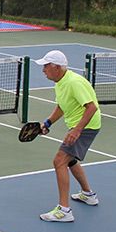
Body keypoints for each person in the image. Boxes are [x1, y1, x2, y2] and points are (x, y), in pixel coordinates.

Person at [35, 50, 102, 222]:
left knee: (59, 161)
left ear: (56, 67)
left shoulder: (74, 82)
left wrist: (77, 130)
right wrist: (48, 123)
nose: (43, 70)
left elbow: (91, 107)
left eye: (46, 66)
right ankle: (88, 194)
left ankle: (64, 210)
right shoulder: (60, 82)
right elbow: (62, 106)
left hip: (86, 127)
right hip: (79, 126)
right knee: (70, 160)